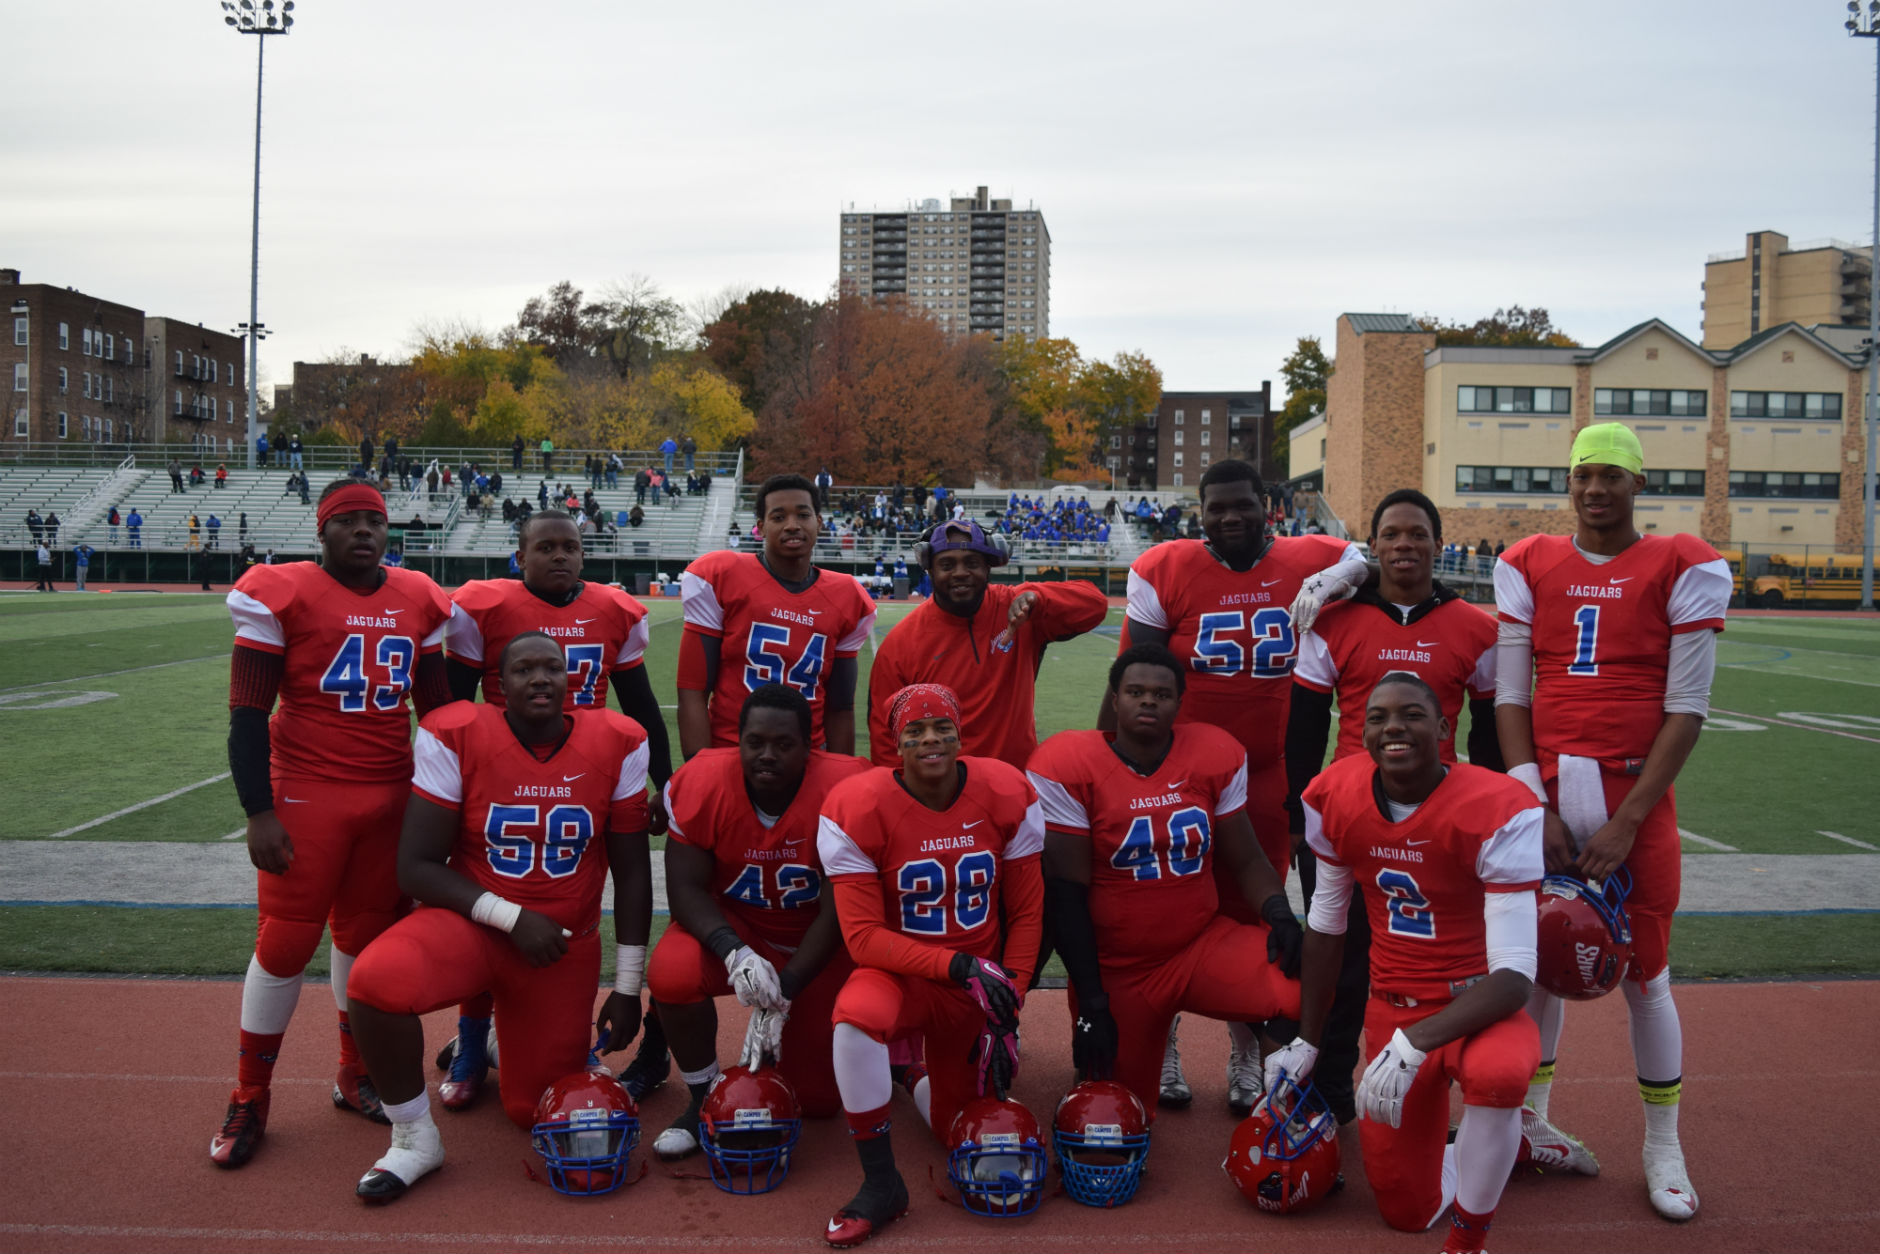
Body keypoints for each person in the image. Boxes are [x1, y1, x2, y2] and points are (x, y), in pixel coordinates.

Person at [1493, 422, 1728, 1223]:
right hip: (1549, 790)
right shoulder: (1529, 561)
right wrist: (1533, 802)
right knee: (1536, 964)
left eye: (1611, 475)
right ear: (1570, 482)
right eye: (1583, 474)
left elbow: (1687, 710)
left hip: (1634, 794)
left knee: (1647, 976)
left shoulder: (1681, 563)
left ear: (1638, 484)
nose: (1595, 488)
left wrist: (1627, 822)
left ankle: (1663, 1144)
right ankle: (1531, 1122)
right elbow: (1511, 696)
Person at [341, 631, 653, 1202]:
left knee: (532, 1110)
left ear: (572, 679)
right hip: (474, 926)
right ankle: (413, 1139)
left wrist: (629, 985)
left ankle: (496, 1047)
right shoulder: (458, 734)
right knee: (374, 982)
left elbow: (633, 873)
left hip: (561, 946)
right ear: (498, 685)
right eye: (523, 669)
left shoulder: (619, 741)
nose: (539, 679)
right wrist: (511, 918)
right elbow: (415, 867)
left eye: (552, 668)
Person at [208, 480, 456, 1170]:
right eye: (347, 521)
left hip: (389, 795)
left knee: (365, 939)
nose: (363, 531)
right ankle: (250, 1094)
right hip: (307, 792)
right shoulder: (284, 591)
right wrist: (258, 811)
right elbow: (247, 715)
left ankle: (355, 1073)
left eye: (374, 520)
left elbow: (438, 714)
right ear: (322, 532)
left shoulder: (418, 596)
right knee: (285, 943)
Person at [1109, 458, 1368, 1112]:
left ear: (1267, 507)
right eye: (1216, 507)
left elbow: (1363, 556)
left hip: (1267, 772)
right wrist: (1113, 764)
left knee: (1256, 914)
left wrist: (1331, 579)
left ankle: (1246, 1049)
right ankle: (1164, 1038)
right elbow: (1137, 672)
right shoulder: (1168, 567)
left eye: (1242, 504)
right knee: (1169, 905)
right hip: (1181, 775)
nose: (1229, 517)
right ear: (1200, 513)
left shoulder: (1306, 557)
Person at [1279, 674, 1566, 1254]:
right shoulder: (1336, 794)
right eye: (1378, 717)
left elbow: (1514, 978)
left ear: (1443, 728)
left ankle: (1469, 1239)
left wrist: (1415, 1043)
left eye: (1411, 715)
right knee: (1406, 1213)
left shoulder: (1496, 805)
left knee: (1499, 1075)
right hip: (1395, 1004)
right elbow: (1327, 926)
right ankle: (1504, 1147)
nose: (1394, 728)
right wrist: (1307, 1040)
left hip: (1479, 1006)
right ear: (1361, 732)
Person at [434, 509, 675, 1108]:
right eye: (545, 547)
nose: (560, 556)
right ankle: (471, 1038)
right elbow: (452, 705)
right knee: (485, 902)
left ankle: (550, 1028)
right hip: (500, 771)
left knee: (579, 899)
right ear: (520, 556)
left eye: (570, 547)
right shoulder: (487, 606)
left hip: (591, 773)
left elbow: (641, 704)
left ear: (584, 555)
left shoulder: (612, 609)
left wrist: (666, 784)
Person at [1285, 489, 1501, 1124]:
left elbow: (1490, 736)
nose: (1405, 545)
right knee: (1340, 957)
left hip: (1443, 821)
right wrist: (1299, 818)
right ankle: (1328, 1089)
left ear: (1438, 544)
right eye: (1392, 534)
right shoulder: (1333, 620)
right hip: (1349, 815)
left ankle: (1441, 1092)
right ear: (1372, 545)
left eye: (1417, 534)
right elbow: (1304, 730)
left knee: (1443, 963)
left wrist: (1493, 819)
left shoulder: (1477, 627)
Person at [1029, 644, 1302, 1118]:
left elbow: (1246, 859)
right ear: (1115, 698)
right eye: (1136, 691)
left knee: (1307, 982)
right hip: (1120, 969)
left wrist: (1278, 913)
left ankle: (1282, 1105)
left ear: (1179, 702)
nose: (1148, 701)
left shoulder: (1212, 754)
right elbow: (1065, 896)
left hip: (1199, 946)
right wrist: (1092, 998)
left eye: (1161, 694)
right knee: (1112, 1122)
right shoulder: (1070, 765)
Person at [815, 684, 1045, 1247]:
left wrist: (1009, 1005)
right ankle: (882, 1182)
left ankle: (911, 1075)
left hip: (976, 989)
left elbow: (1027, 912)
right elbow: (863, 938)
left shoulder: (1005, 790)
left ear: (961, 735)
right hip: (903, 977)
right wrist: (960, 966)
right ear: (896, 745)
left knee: (956, 1132)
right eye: (914, 732)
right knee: (855, 1017)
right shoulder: (859, 805)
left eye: (942, 727)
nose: (930, 740)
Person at [646, 684, 871, 1157]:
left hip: (817, 947)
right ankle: (702, 1097)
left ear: (810, 746)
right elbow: (685, 890)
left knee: (817, 1102)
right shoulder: (703, 779)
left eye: (783, 744)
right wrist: (733, 951)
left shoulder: (846, 789)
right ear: (738, 741)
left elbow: (840, 911)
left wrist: (784, 993)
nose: (767, 755)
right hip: (742, 929)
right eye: (755, 742)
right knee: (672, 971)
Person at [868, 519, 1106, 770]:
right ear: (929, 570)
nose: (960, 572)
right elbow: (885, 739)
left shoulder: (1019, 606)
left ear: (988, 567)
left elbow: (1095, 605)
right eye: (947, 565)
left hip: (1015, 783)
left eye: (972, 563)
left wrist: (1040, 599)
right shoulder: (900, 643)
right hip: (942, 788)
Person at [676, 473, 876, 760]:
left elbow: (840, 707)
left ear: (819, 522)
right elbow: (693, 690)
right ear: (761, 527)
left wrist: (839, 774)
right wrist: (703, 767)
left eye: (803, 515)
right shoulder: (723, 576)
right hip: (732, 753)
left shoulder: (846, 595)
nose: (792, 525)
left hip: (808, 759)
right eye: (779, 517)